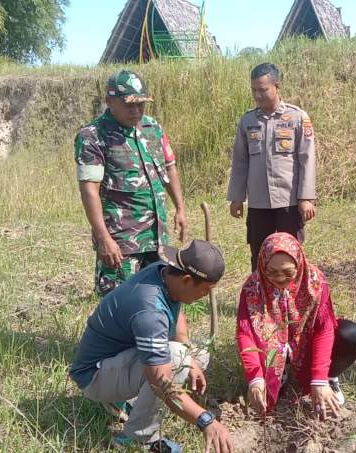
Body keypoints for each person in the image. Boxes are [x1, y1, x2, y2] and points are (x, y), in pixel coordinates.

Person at [69, 240, 233, 452]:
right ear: (186, 279)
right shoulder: (149, 311)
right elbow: (161, 383)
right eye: (205, 290)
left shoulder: (163, 273)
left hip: (117, 359)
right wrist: (205, 420)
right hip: (94, 376)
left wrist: (187, 351)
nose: (205, 296)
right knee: (175, 360)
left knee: (196, 356)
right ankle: (137, 438)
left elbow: (177, 308)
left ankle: (129, 401)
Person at [75, 69, 188, 297]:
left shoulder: (152, 128)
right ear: (109, 101)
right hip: (121, 241)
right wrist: (104, 238)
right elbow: (89, 191)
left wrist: (180, 209)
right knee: (120, 304)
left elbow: (169, 166)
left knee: (159, 299)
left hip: (157, 239)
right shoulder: (93, 136)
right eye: (129, 104)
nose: (136, 111)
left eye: (141, 104)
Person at [236, 233, 356, 419]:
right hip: (273, 348)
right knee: (262, 389)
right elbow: (245, 333)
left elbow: (324, 329)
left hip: (306, 344)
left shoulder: (315, 282)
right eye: (272, 272)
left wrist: (319, 377)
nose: (280, 279)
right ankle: (279, 373)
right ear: (262, 265)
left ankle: (328, 379)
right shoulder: (253, 287)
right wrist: (255, 378)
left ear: (299, 263)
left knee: (350, 335)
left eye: (288, 272)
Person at [227, 63, 317, 271]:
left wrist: (306, 198)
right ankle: (260, 300)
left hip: (289, 201)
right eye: (254, 90)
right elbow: (240, 162)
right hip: (259, 203)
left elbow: (307, 158)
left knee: (291, 255)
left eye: (263, 89)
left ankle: (292, 300)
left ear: (277, 86)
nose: (257, 95)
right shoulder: (248, 121)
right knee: (259, 255)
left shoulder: (297, 117)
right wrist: (237, 198)